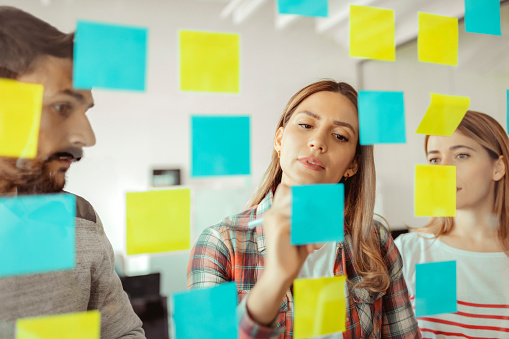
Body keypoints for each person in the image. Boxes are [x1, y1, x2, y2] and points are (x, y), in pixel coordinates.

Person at [188, 80, 420, 338]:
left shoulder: (374, 239)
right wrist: (275, 279)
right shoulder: (219, 242)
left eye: (340, 136)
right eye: (306, 125)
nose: (317, 142)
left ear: (353, 164)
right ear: (279, 139)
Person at [0, 6, 145, 338]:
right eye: (62, 107)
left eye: (84, 109)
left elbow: (123, 332)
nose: (87, 137)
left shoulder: (78, 218)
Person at [395, 110, 509, 338]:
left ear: (498, 168)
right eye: (434, 159)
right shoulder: (409, 251)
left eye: (461, 155)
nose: (443, 170)